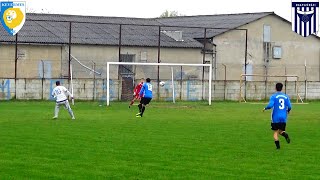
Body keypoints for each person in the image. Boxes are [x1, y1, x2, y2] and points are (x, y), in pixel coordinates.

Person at [263, 82, 292, 149]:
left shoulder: (274, 96)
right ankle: (285, 134)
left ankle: (278, 147)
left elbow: (270, 105)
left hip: (275, 117)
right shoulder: (286, 96)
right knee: (281, 131)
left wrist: (265, 108)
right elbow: (290, 106)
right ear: (282, 88)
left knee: (276, 132)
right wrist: (288, 111)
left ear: (275, 88)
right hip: (283, 117)